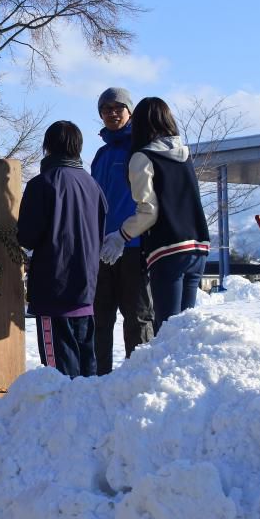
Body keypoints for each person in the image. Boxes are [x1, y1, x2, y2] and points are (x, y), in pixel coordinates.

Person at [100, 97, 210, 334]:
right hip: (198, 246)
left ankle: (164, 371)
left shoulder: (143, 157)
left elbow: (148, 210)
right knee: (184, 329)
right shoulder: (184, 155)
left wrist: (121, 235)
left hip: (167, 248)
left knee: (167, 329)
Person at [17, 122, 107, 377]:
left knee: (58, 375)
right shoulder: (93, 186)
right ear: (78, 147)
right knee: (86, 370)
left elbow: (28, 237)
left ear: (47, 146)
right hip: (87, 286)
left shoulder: (41, 184)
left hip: (53, 288)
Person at [90, 88, 154, 375]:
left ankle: (138, 379)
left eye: (118, 108)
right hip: (101, 249)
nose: (112, 113)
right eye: (106, 109)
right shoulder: (101, 155)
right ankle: (97, 379)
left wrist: (127, 234)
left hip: (133, 246)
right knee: (100, 318)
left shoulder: (140, 149)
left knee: (137, 316)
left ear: (130, 112)